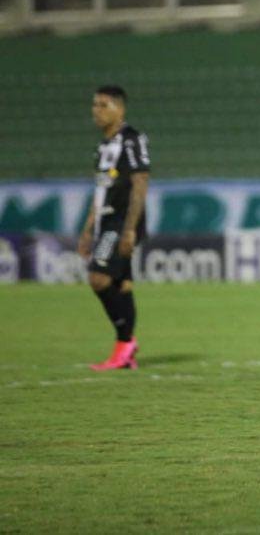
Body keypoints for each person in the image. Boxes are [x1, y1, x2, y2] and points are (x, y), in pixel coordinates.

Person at [77, 86, 150, 371]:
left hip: (123, 219)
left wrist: (130, 228)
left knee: (98, 278)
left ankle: (125, 343)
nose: (97, 110)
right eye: (95, 105)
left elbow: (141, 182)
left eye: (104, 105)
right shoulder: (102, 147)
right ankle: (125, 350)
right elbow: (100, 190)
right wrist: (87, 230)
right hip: (107, 219)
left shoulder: (131, 140)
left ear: (120, 109)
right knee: (121, 283)